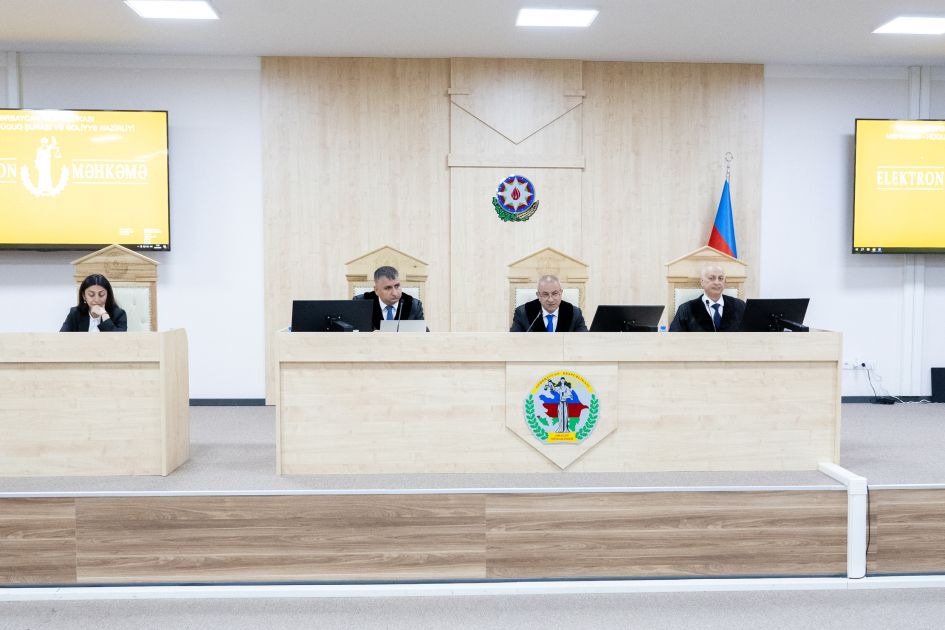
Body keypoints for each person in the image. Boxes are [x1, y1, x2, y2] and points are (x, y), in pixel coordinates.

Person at [669, 264, 745, 332]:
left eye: (721, 278)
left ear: (725, 282)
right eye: (711, 278)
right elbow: (674, 338)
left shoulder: (740, 306)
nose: (717, 282)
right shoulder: (686, 309)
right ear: (702, 282)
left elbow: (749, 334)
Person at [353, 265, 425, 331]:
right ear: (376, 290)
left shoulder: (413, 305)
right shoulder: (360, 303)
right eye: (388, 288)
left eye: (397, 286)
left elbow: (423, 335)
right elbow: (351, 333)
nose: (394, 293)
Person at [510, 275, 587, 332]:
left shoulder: (574, 313)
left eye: (555, 293)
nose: (550, 299)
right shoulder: (522, 313)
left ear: (561, 293)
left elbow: (584, 341)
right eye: (545, 294)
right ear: (538, 295)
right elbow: (513, 341)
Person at [59, 273, 128, 332]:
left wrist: (105, 316)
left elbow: (119, 340)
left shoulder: (119, 314)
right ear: (84, 296)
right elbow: (62, 338)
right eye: (91, 295)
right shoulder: (75, 313)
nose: (97, 300)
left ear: (108, 295)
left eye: (101, 295)